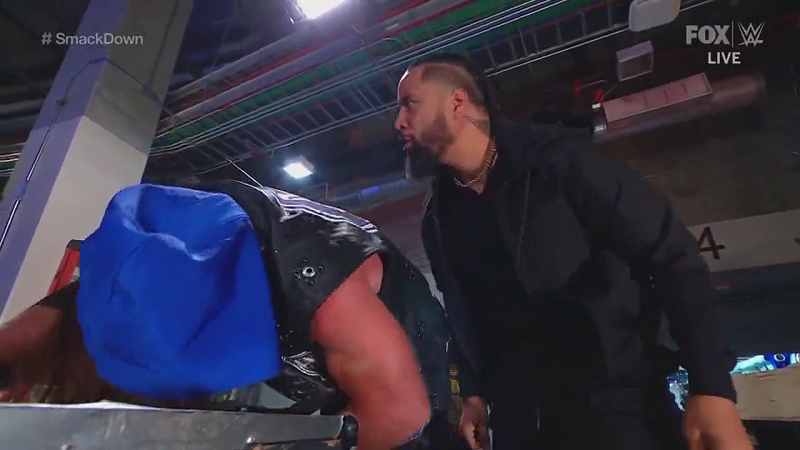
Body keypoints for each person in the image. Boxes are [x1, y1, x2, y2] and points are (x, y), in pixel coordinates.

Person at [394, 52, 753, 450]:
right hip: (517, 423)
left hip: (618, 415)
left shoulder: (560, 160)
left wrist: (712, 386)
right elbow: (464, 314)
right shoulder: (438, 217)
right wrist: (475, 394)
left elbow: (672, 256)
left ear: (457, 103)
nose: (398, 122)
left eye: (410, 104)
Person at [0, 180, 465, 450]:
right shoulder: (142, 255)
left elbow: (402, 413)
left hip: (408, 383)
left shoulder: (320, 284)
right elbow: (53, 324)